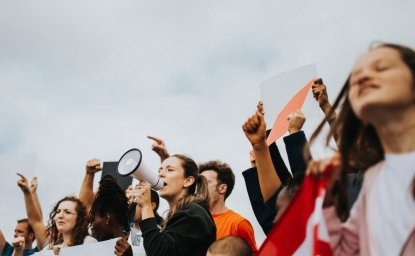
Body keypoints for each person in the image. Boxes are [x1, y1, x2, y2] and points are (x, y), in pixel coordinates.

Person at [308, 43, 415, 255]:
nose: (364, 76)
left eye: (381, 67)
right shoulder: (372, 181)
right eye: (356, 77)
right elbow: (344, 250)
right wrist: (327, 201)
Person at [133, 154, 216, 256]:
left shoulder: (192, 215)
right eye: (160, 170)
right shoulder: (186, 213)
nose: (160, 174)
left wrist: (146, 206)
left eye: (170, 170)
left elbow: (159, 252)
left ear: (188, 181)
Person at [199, 160, 257, 253]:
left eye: (206, 182)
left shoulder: (238, 224)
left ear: (222, 188)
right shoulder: (193, 221)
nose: (199, 187)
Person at [89, 175, 132, 256]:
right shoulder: (93, 246)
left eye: (93, 219)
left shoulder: (137, 240)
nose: (92, 226)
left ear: (107, 217)